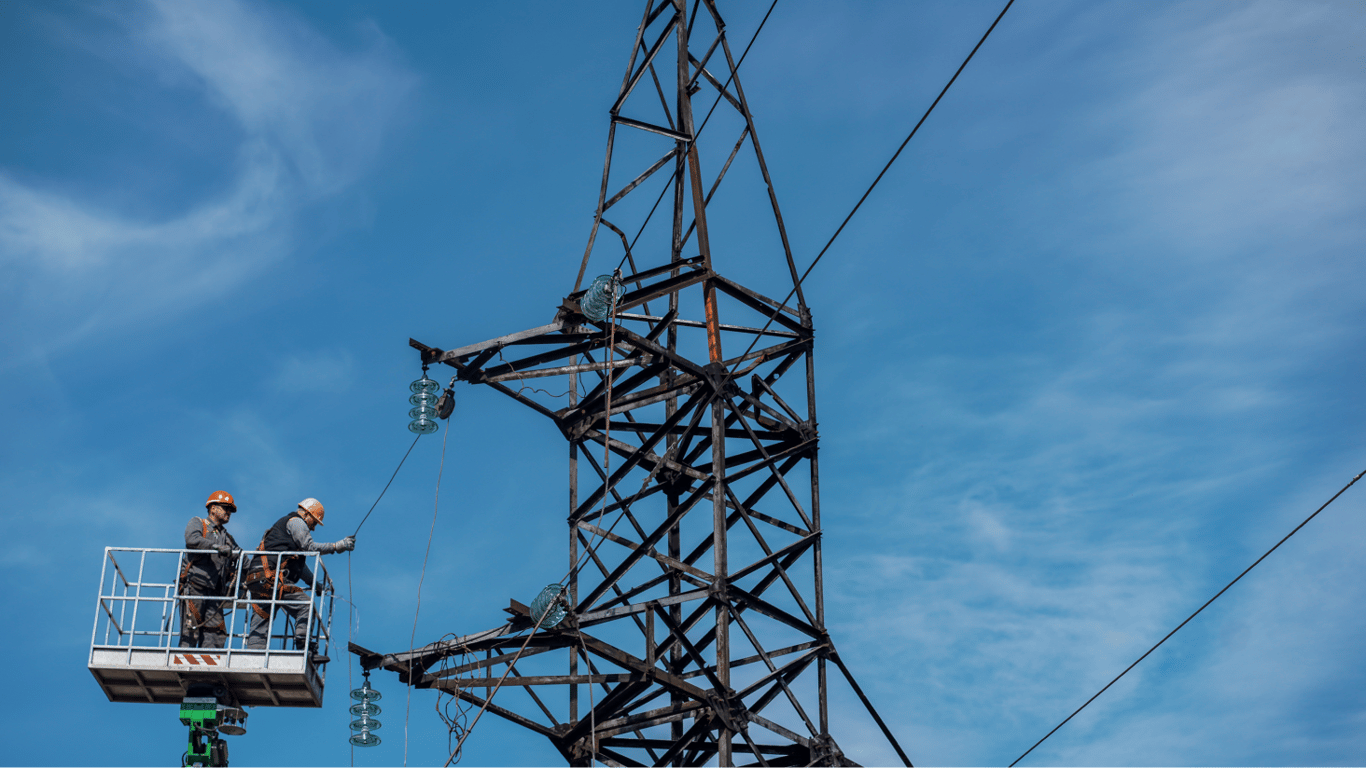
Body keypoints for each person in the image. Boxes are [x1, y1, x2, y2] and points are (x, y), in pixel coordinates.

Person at [242, 498, 354, 654]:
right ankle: (305, 648)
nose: (313, 528)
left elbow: (299, 568)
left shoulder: (284, 532)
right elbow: (310, 547)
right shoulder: (297, 522)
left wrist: (315, 584)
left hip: (257, 579)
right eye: (314, 523)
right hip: (270, 577)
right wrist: (336, 546)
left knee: (261, 621)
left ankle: (253, 656)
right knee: (305, 606)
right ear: (307, 514)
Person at [179, 490, 241, 648]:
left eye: (230, 510)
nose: (228, 512)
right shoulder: (198, 522)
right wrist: (216, 547)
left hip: (214, 593)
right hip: (195, 587)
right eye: (225, 508)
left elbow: (241, 558)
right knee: (190, 631)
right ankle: (185, 668)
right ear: (213, 508)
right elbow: (192, 540)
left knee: (216, 634)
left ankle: (208, 670)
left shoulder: (227, 537)